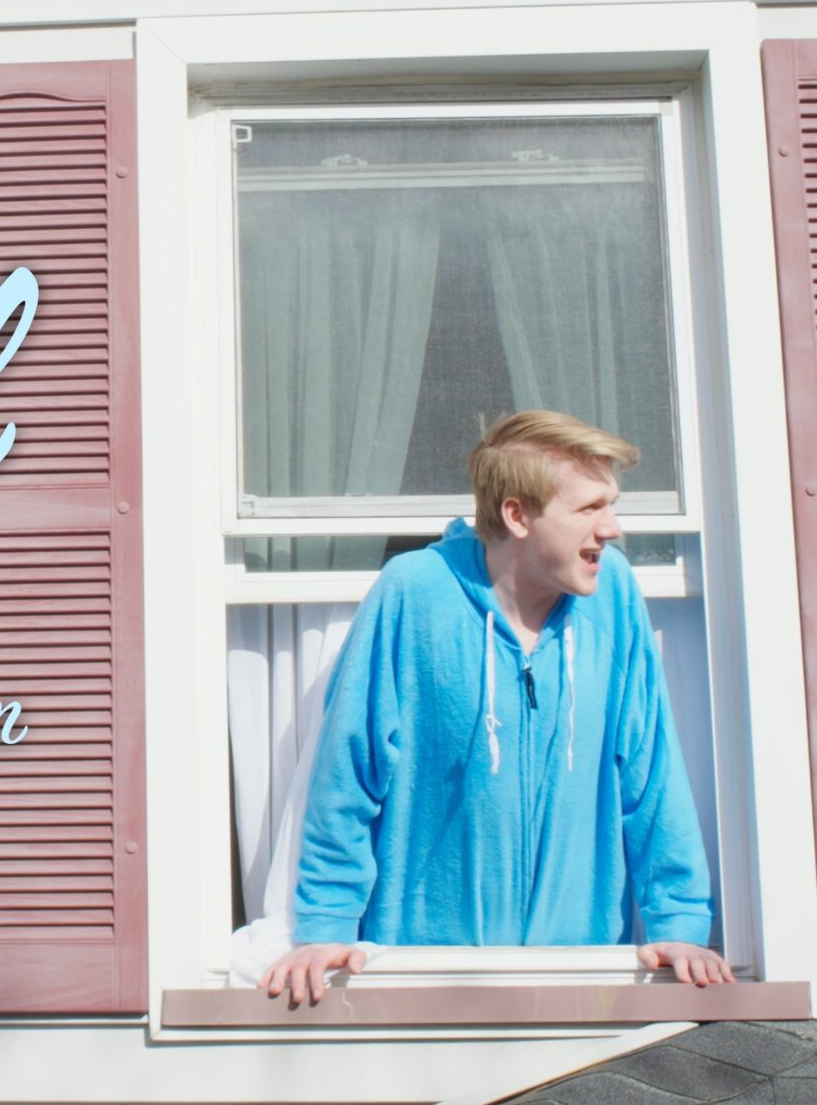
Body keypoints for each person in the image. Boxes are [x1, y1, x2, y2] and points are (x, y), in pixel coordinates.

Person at [259, 411, 730, 1007]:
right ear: (517, 514)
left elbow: (650, 771)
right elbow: (347, 779)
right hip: (423, 978)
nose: (612, 529)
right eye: (589, 509)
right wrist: (326, 930)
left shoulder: (614, 596)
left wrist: (680, 925)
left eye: (611, 506)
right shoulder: (412, 594)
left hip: (579, 979)